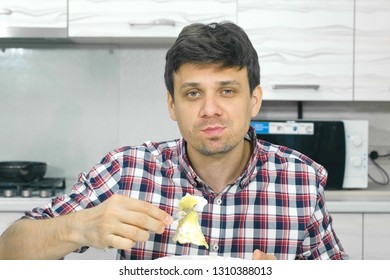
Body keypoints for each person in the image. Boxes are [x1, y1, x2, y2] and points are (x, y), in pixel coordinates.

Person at [0, 21, 348, 260]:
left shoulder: (300, 178)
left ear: (253, 100)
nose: (210, 110)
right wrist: (80, 226)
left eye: (227, 91)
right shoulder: (127, 171)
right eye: (193, 93)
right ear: (172, 105)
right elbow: (8, 250)